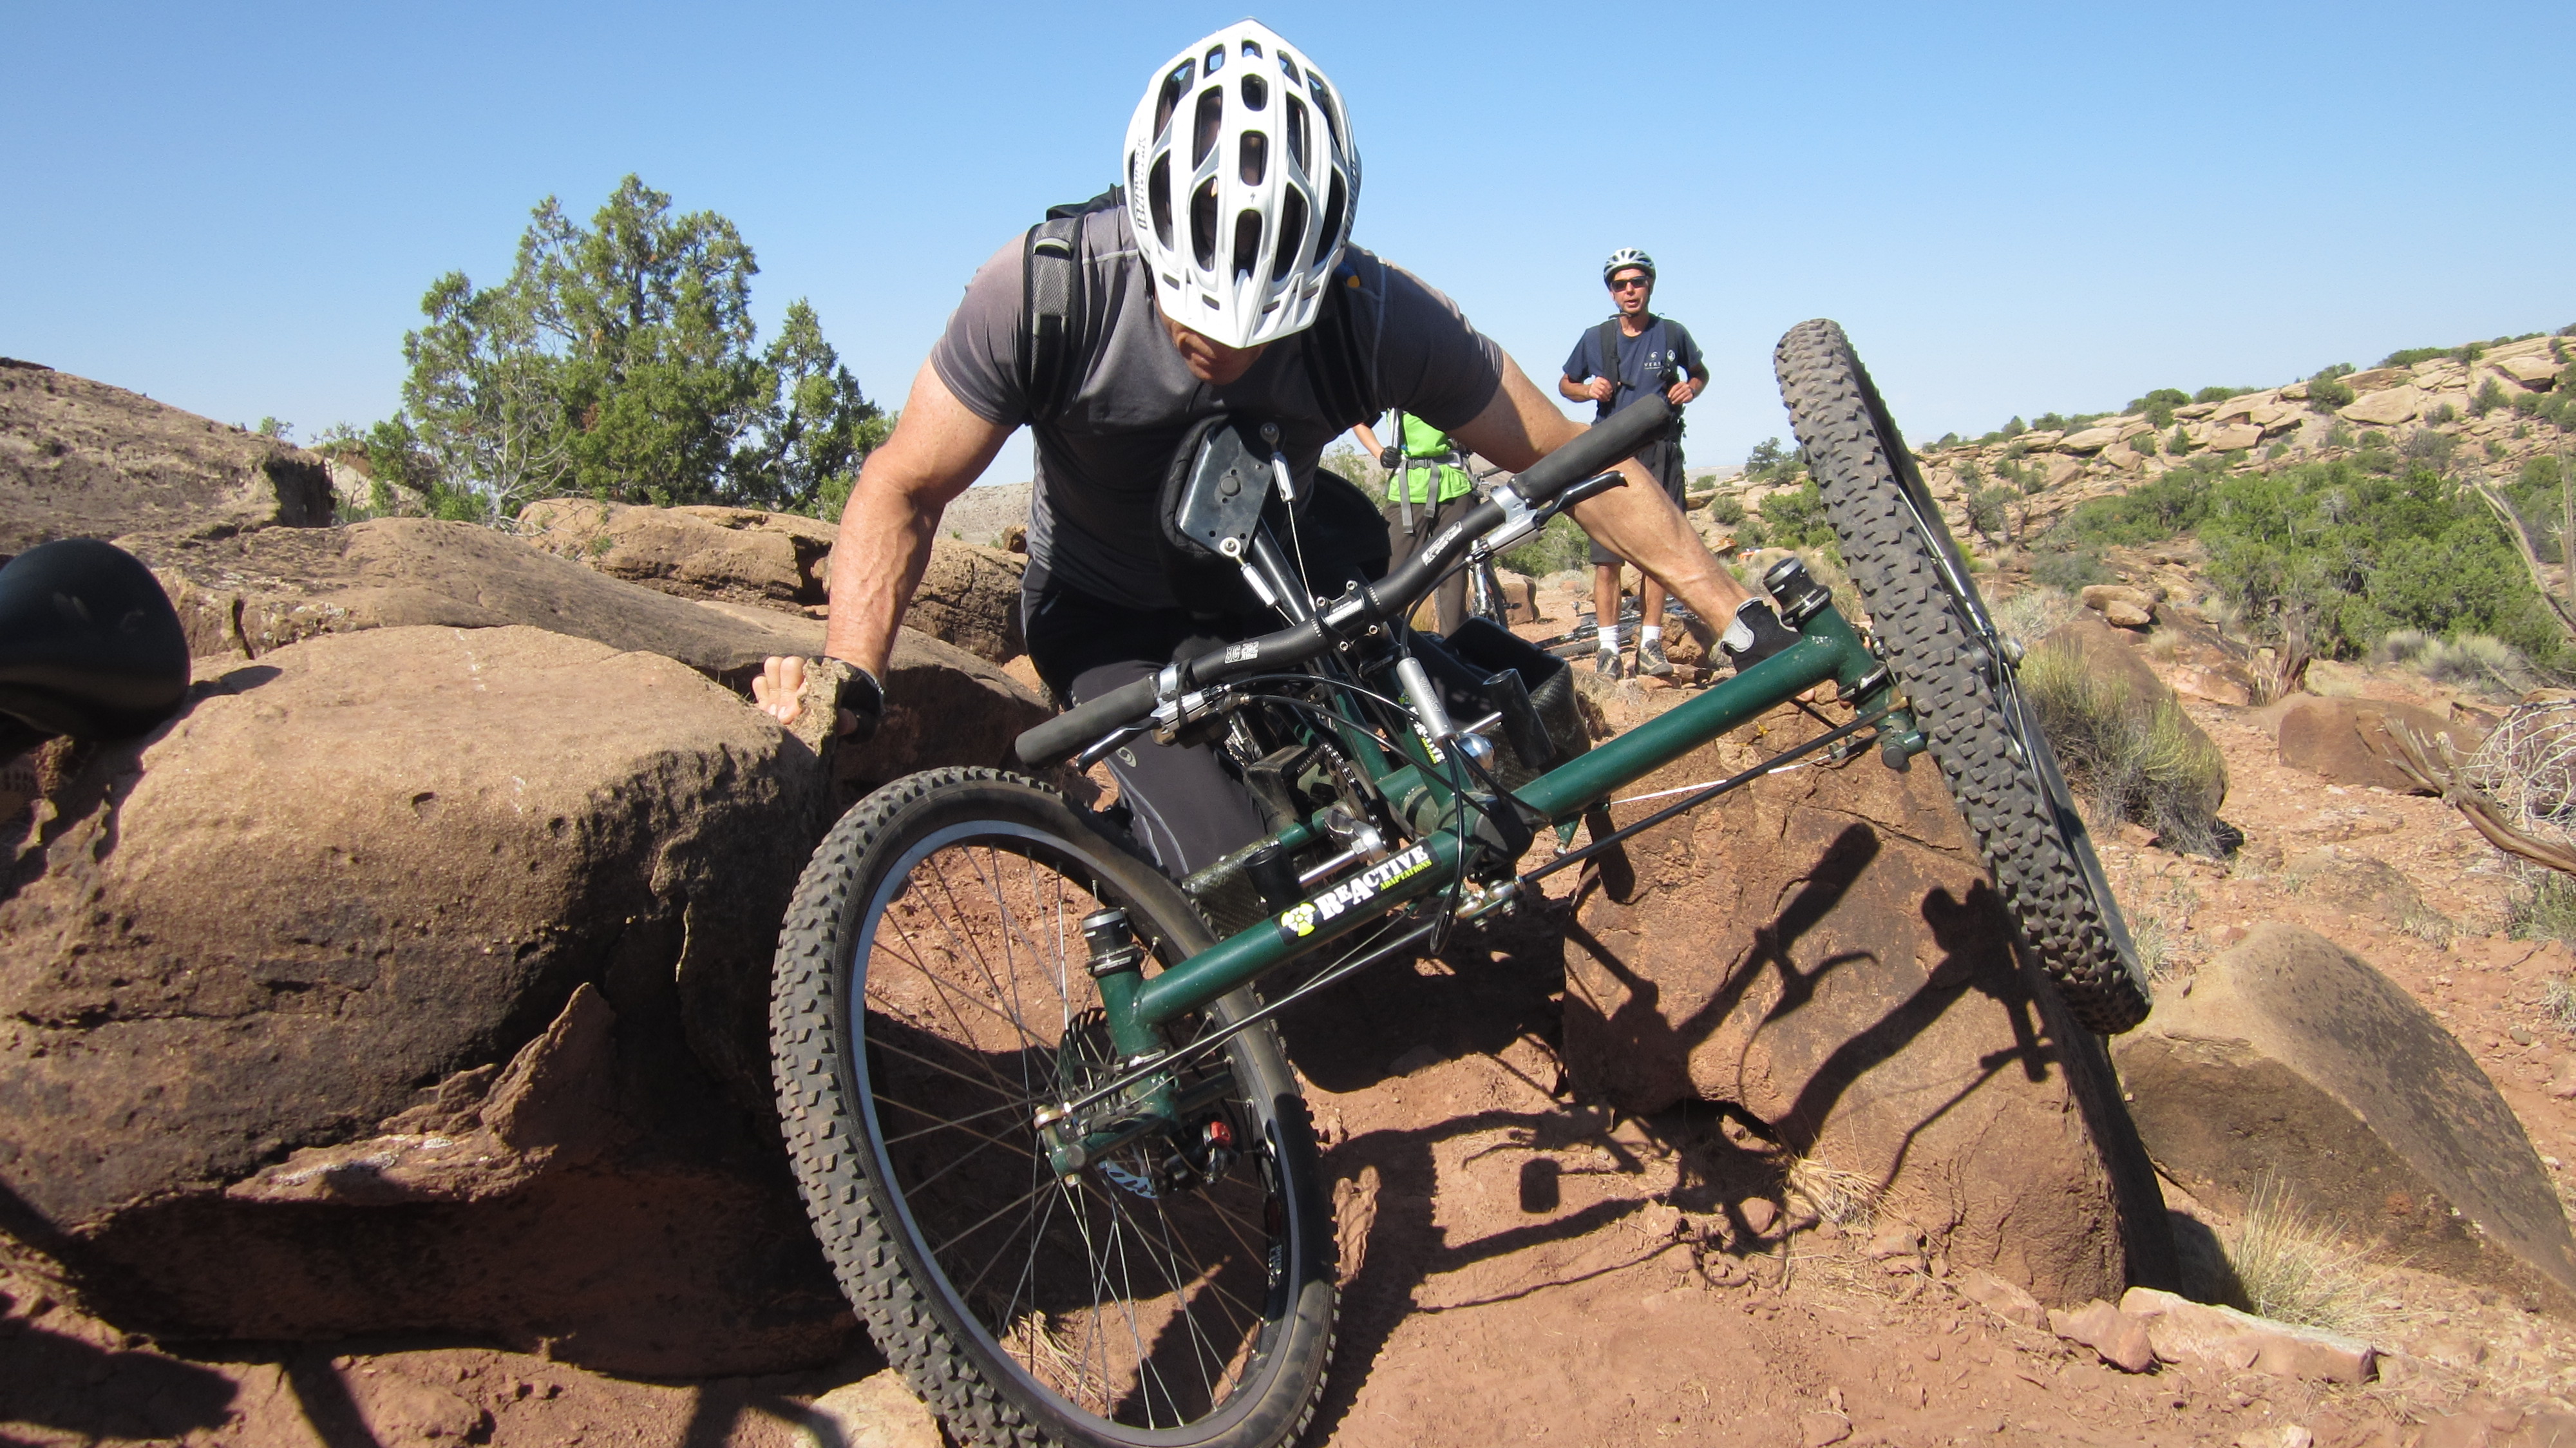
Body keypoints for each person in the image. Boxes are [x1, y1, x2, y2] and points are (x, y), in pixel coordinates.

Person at [756, 21, 1795, 881]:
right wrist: (854, 672)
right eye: (1197, 325)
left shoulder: (1376, 312)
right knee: (1238, 885)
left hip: (1275, 572)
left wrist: (1735, 615)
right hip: (1105, 611)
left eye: (1266, 331)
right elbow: (905, 485)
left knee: (1450, 760)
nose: (1228, 353)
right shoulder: (1046, 291)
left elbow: (1567, 457)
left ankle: (1461, 680)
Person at [1558, 249, 1747, 680]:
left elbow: (1700, 373)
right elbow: (1565, 383)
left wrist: (1690, 389)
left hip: (1661, 451)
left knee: (1658, 555)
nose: (1630, 291)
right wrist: (1588, 391)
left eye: (1637, 282)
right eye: (1621, 284)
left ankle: (1650, 644)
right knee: (1607, 557)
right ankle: (1608, 649)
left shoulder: (1672, 333)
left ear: (1650, 286)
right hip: (1610, 453)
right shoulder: (1596, 338)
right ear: (1611, 292)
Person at [1350, 410, 1476, 633]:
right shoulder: (1396, 385)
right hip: (1408, 488)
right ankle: (1387, 650)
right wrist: (1379, 453)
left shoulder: (1449, 385)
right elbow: (1358, 419)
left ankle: (1453, 652)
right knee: (1392, 578)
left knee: (1454, 577)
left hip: (1454, 485)